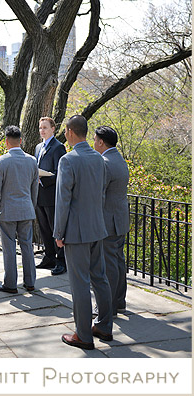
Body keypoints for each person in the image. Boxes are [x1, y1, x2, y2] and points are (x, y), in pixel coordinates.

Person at [54, 115, 112, 350]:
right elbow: (102, 194)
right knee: (100, 278)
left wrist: (58, 232)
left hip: (76, 232)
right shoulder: (99, 159)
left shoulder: (68, 160)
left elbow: (62, 200)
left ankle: (83, 335)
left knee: (79, 283)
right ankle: (105, 327)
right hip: (97, 227)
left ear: (69, 131)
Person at [0, 125, 39, 294]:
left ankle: (10, 284)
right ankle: (30, 282)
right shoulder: (32, 160)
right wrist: (31, 206)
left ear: (6, 142)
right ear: (21, 141)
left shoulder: (2, 161)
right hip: (26, 209)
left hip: (8, 211)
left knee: (9, 247)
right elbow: (34, 188)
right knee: (27, 246)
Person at [94, 126, 130, 315]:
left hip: (109, 221)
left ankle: (108, 306)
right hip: (120, 218)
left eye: (94, 140)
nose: (93, 143)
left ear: (101, 142)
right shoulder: (120, 160)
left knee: (108, 265)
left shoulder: (105, 162)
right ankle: (119, 301)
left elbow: (100, 194)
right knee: (118, 262)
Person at [34, 117, 67, 275]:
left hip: (52, 194)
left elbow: (60, 173)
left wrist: (44, 178)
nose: (42, 131)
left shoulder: (58, 147)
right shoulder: (38, 147)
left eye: (45, 128)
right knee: (44, 228)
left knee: (56, 229)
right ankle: (49, 257)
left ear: (53, 128)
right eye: (40, 128)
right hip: (39, 194)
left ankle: (61, 261)